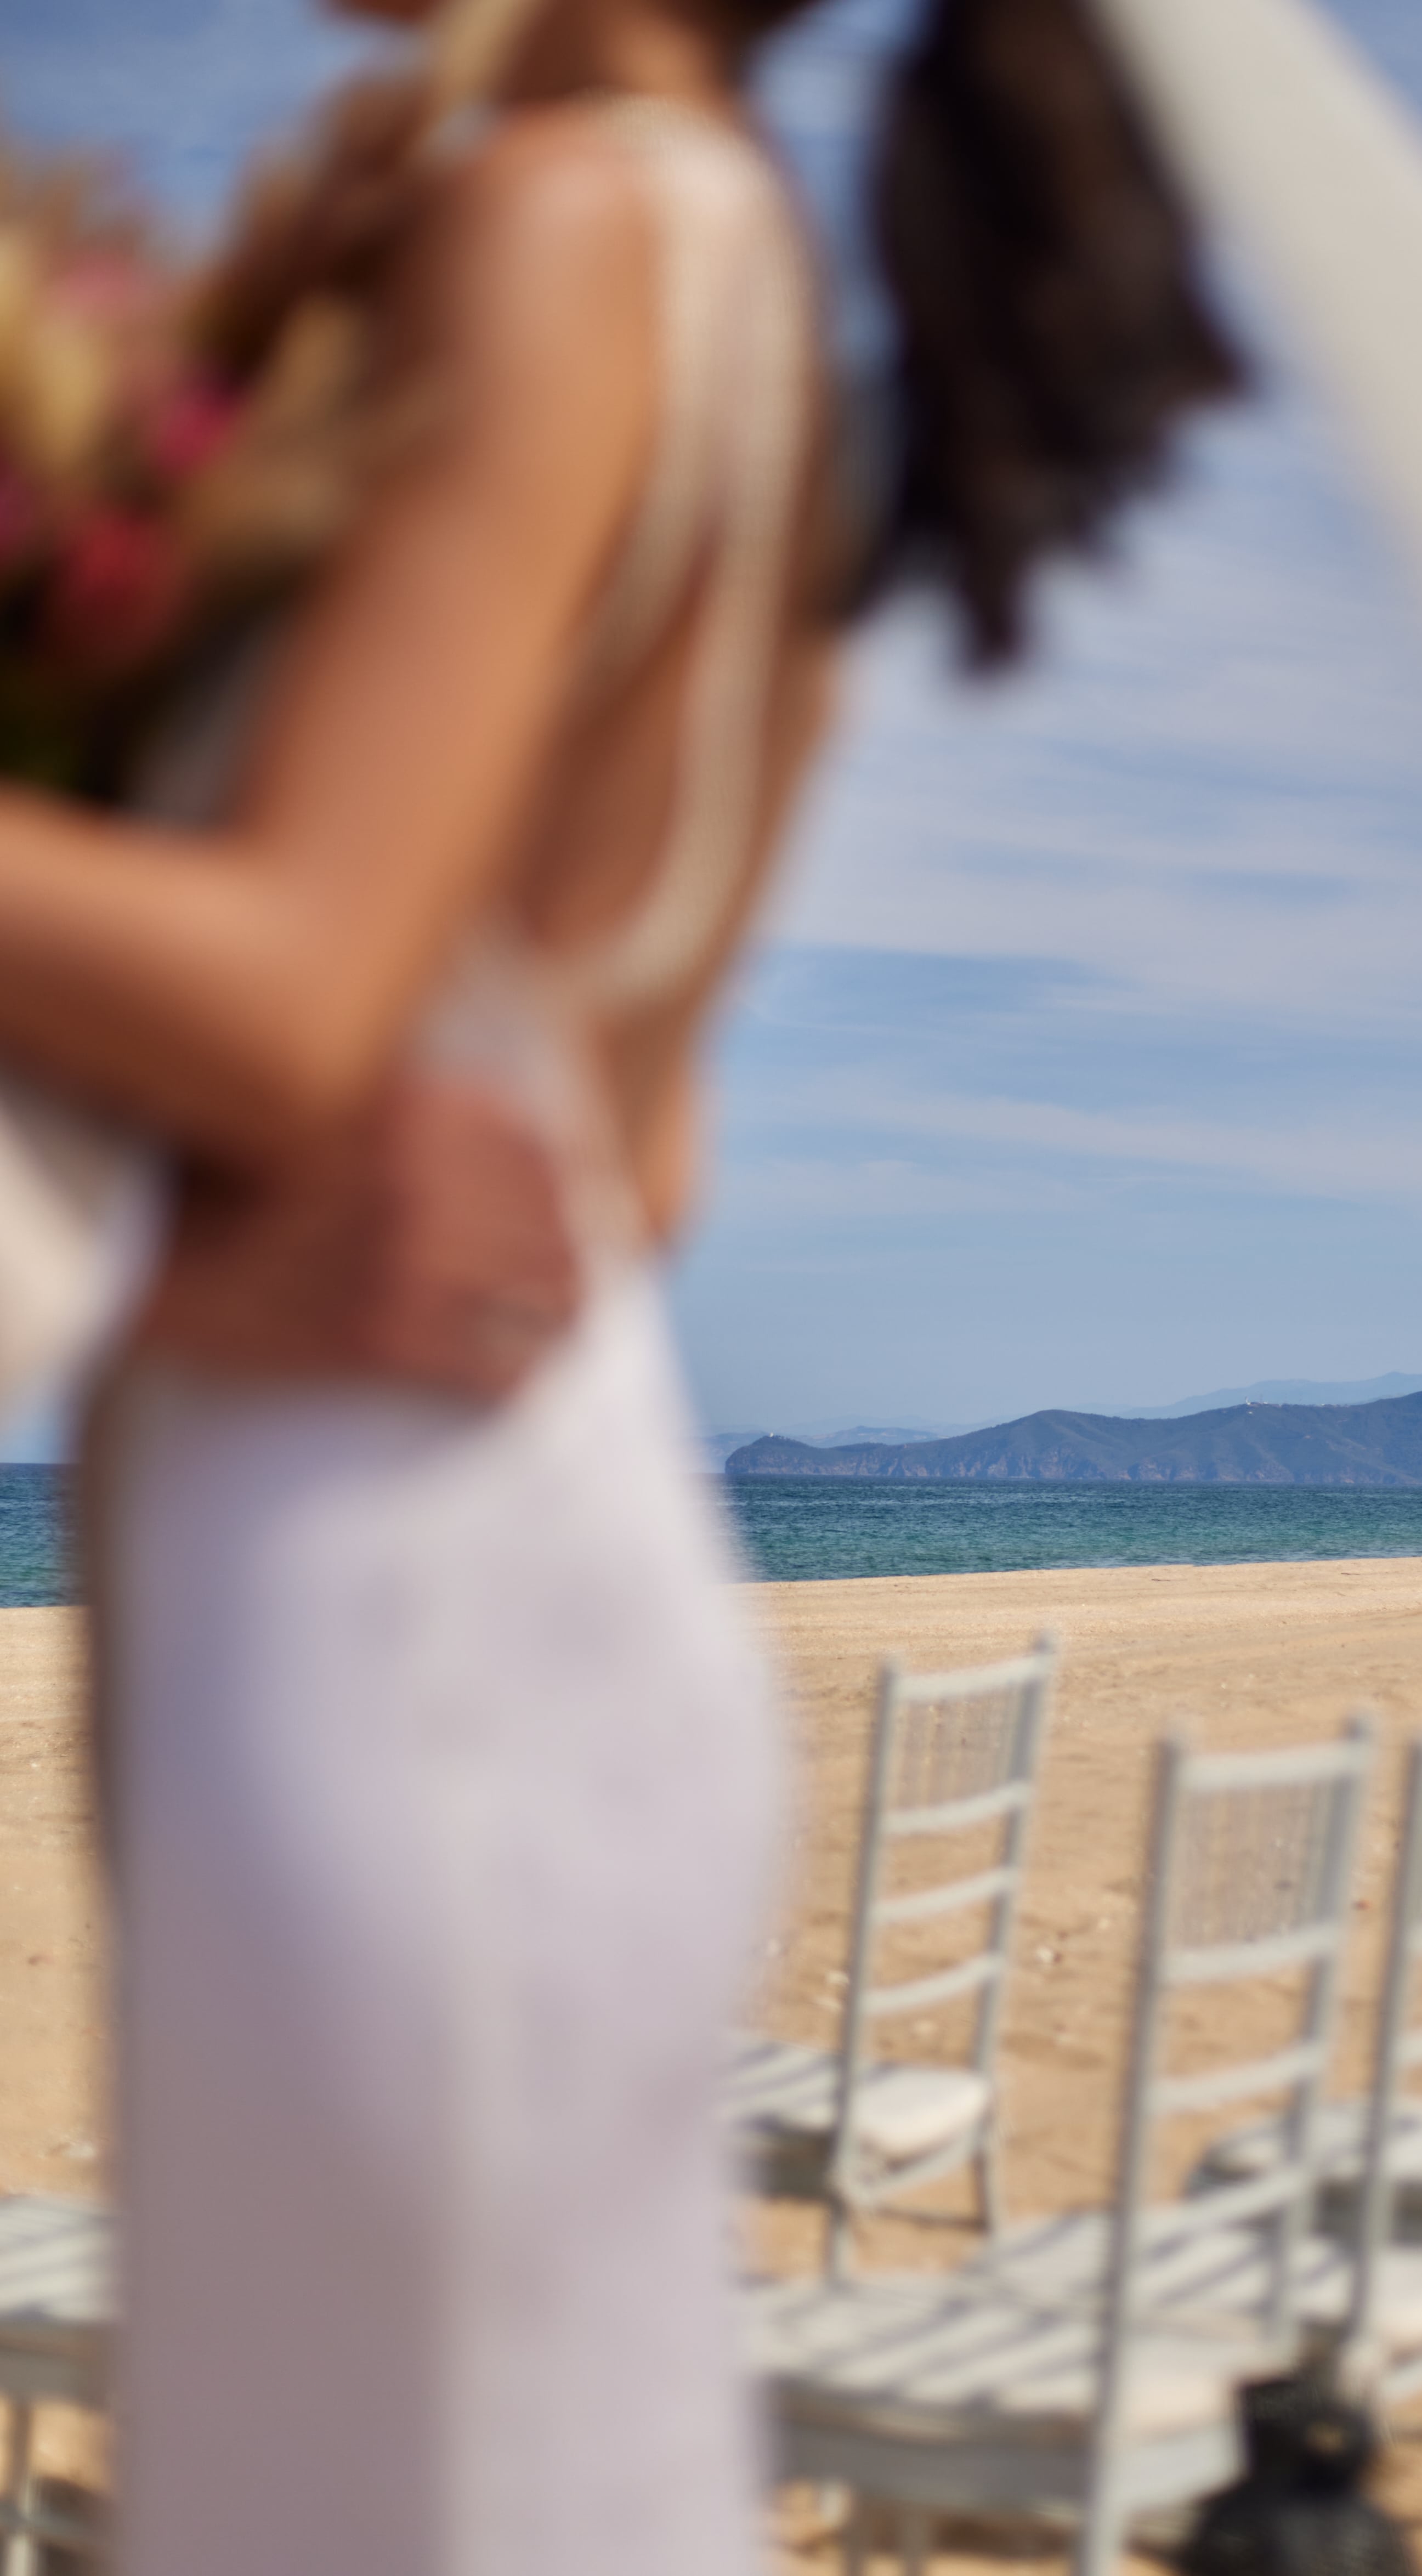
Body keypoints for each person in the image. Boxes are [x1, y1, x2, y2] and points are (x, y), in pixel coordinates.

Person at [0, 0, 1242, 2568]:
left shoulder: (558, 225)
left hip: (377, 1641)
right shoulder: (752, 294)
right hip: (510, 1557)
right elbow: (621, 1160)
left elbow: (288, 990)